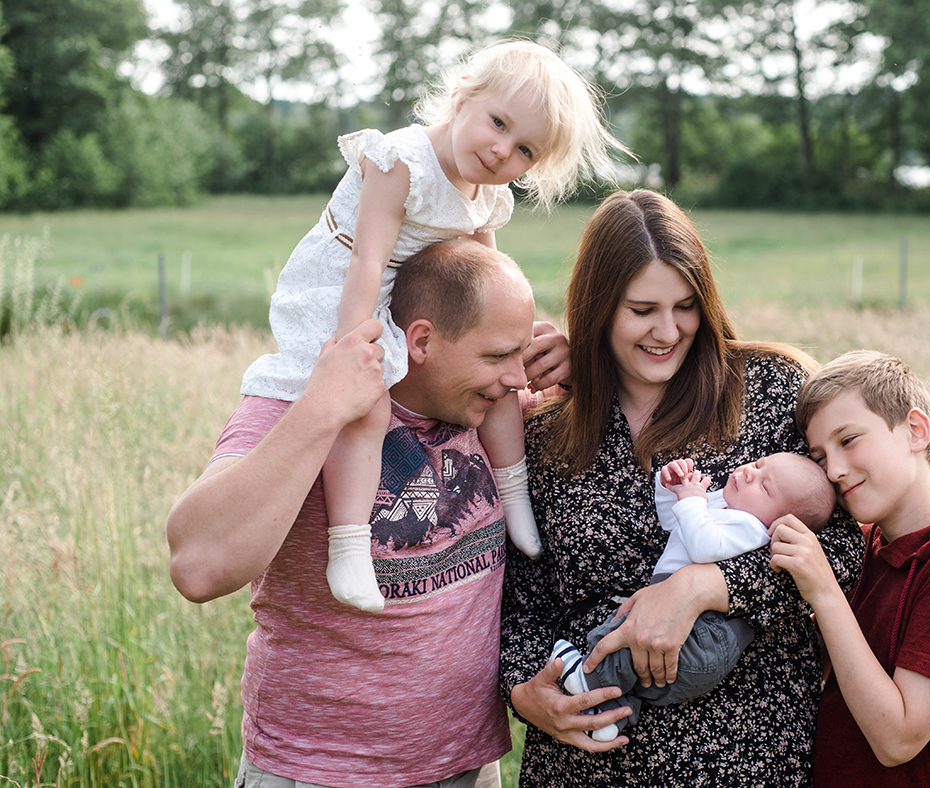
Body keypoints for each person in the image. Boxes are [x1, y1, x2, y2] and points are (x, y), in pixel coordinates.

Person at [238, 39, 627, 612]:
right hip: (344, 290)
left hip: (407, 295)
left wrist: (511, 344)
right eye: (497, 123)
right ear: (464, 96)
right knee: (365, 401)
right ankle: (348, 547)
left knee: (501, 376)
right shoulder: (401, 161)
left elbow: (486, 275)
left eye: (524, 150)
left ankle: (514, 494)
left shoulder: (488, 194)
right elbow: (368, 259)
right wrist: (353, 348)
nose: (501, 152)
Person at [498, 189, 866, 788]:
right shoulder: (546, 433)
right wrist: (526, 693)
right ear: (596, 310)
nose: (668, 331)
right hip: (589, 766)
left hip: (744, 758)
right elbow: (514, 598)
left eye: (686, 306)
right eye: (642, 310)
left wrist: (708, 584)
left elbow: (846, 553)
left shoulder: (772, 392)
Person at [167, 239, 568, 788]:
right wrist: (323, 407)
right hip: (317, 772)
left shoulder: (495, 410)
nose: (516, 377)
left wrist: (574, 371)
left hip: (467, 768)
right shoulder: (294, 404)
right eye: (498, 356)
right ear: (422, 341)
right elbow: (198, 566)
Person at [769, 349, 930, 787]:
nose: (833, 470)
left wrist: (825, 592)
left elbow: (898, 740)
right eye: (819, 457)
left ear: (915, 430)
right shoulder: (868, 546)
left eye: (848, 440)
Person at [551, 451, 835, 742]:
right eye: (758, 465)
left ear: (779, 520)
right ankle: (611, 715)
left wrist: (691, 501)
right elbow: (674, 524)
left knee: (627, 629)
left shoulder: (753, 529)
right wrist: (671, 488)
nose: (750, 473)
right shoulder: (722, 505)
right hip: (696, 639)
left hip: (702, 635)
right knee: (641, 670)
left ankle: (587, 676)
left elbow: (703, 547)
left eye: (764, 487)